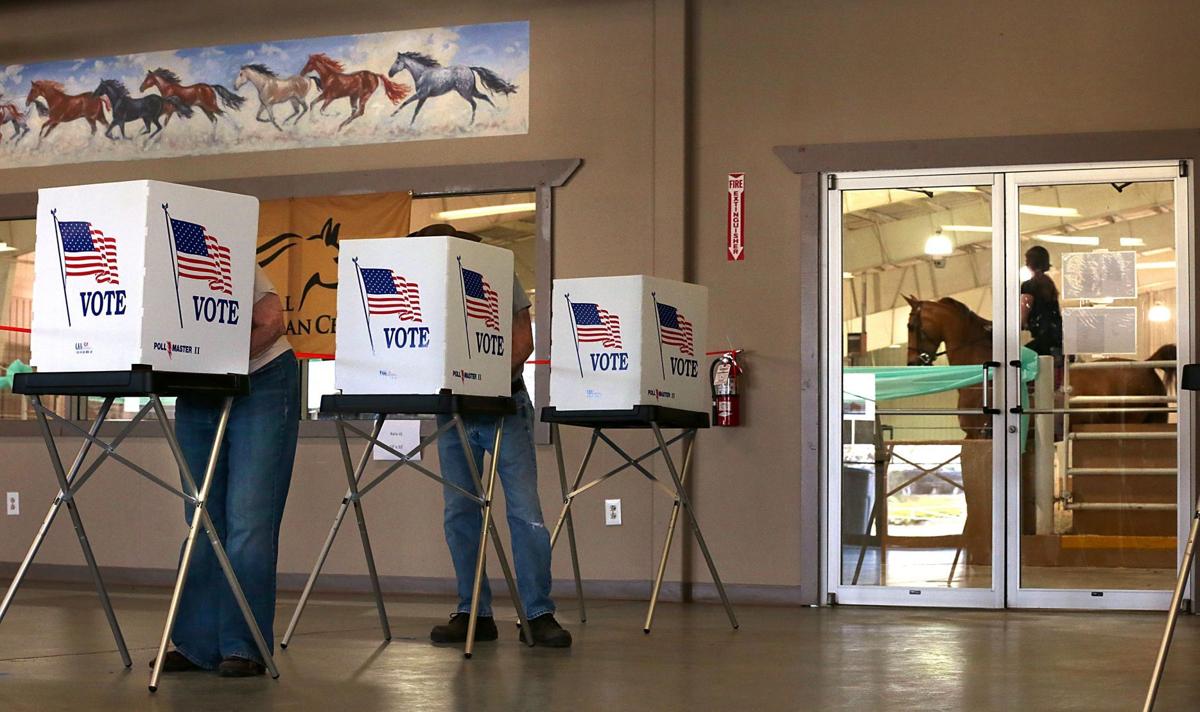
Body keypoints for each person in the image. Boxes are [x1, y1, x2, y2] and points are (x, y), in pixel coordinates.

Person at [410, 223, 571, 648]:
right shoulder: (423, 287)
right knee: (459, 514)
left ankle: (538, 613)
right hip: (452, 410)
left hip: (503, 405)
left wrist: (478, 376)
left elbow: (523, 342)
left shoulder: (496, 272)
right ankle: (473, 612)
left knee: (525, 513)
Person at [154, 266, 299, 676]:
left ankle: (244, 645)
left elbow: (272, 320)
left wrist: (218, 361)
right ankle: (196, 645)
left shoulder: (220, 248)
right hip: (197, 385)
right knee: (201, 517)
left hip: (261, 378)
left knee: (249, 518)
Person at [1020, 245, 1063, 360]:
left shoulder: (1028, 285)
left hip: (1042, 339)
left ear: (1030, 262)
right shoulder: (1049, 283)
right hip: (1056, 338)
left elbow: (1024, 308)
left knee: (1016, 359)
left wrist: (1020, 324)